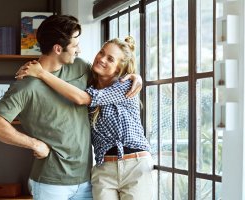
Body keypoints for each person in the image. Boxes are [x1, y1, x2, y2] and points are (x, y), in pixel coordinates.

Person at [0, 15, 143, 200]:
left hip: (87, 180)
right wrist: (35, 144)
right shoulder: (26, 85)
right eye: (75, 46)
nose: (79, 50)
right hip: (50, 183)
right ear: (58, 48)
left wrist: (133, 76)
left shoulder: (81, 67)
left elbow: (108, 77)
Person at [17, 36, 154, 200]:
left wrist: (41, 73)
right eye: (101, 53)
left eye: (110, 59)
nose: (102, 59)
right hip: (104, 169)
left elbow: (82, 99)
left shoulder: (125, 85)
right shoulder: (87, 85)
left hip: (135, 165)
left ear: (119, 69)